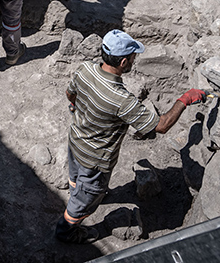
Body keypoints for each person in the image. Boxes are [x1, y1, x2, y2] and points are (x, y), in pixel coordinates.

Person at [55, 29, 207, 244]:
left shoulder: (85, 69)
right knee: (86, 199)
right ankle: (66, 230)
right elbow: (161, 126)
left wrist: (78, 108)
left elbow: (71, 94)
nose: (134, 61)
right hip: (96, 160)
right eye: (133, 58)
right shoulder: (121, 99)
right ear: (124, 62)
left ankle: (76, 190)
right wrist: (184, 99)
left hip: (76, 141)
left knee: (77, 176)